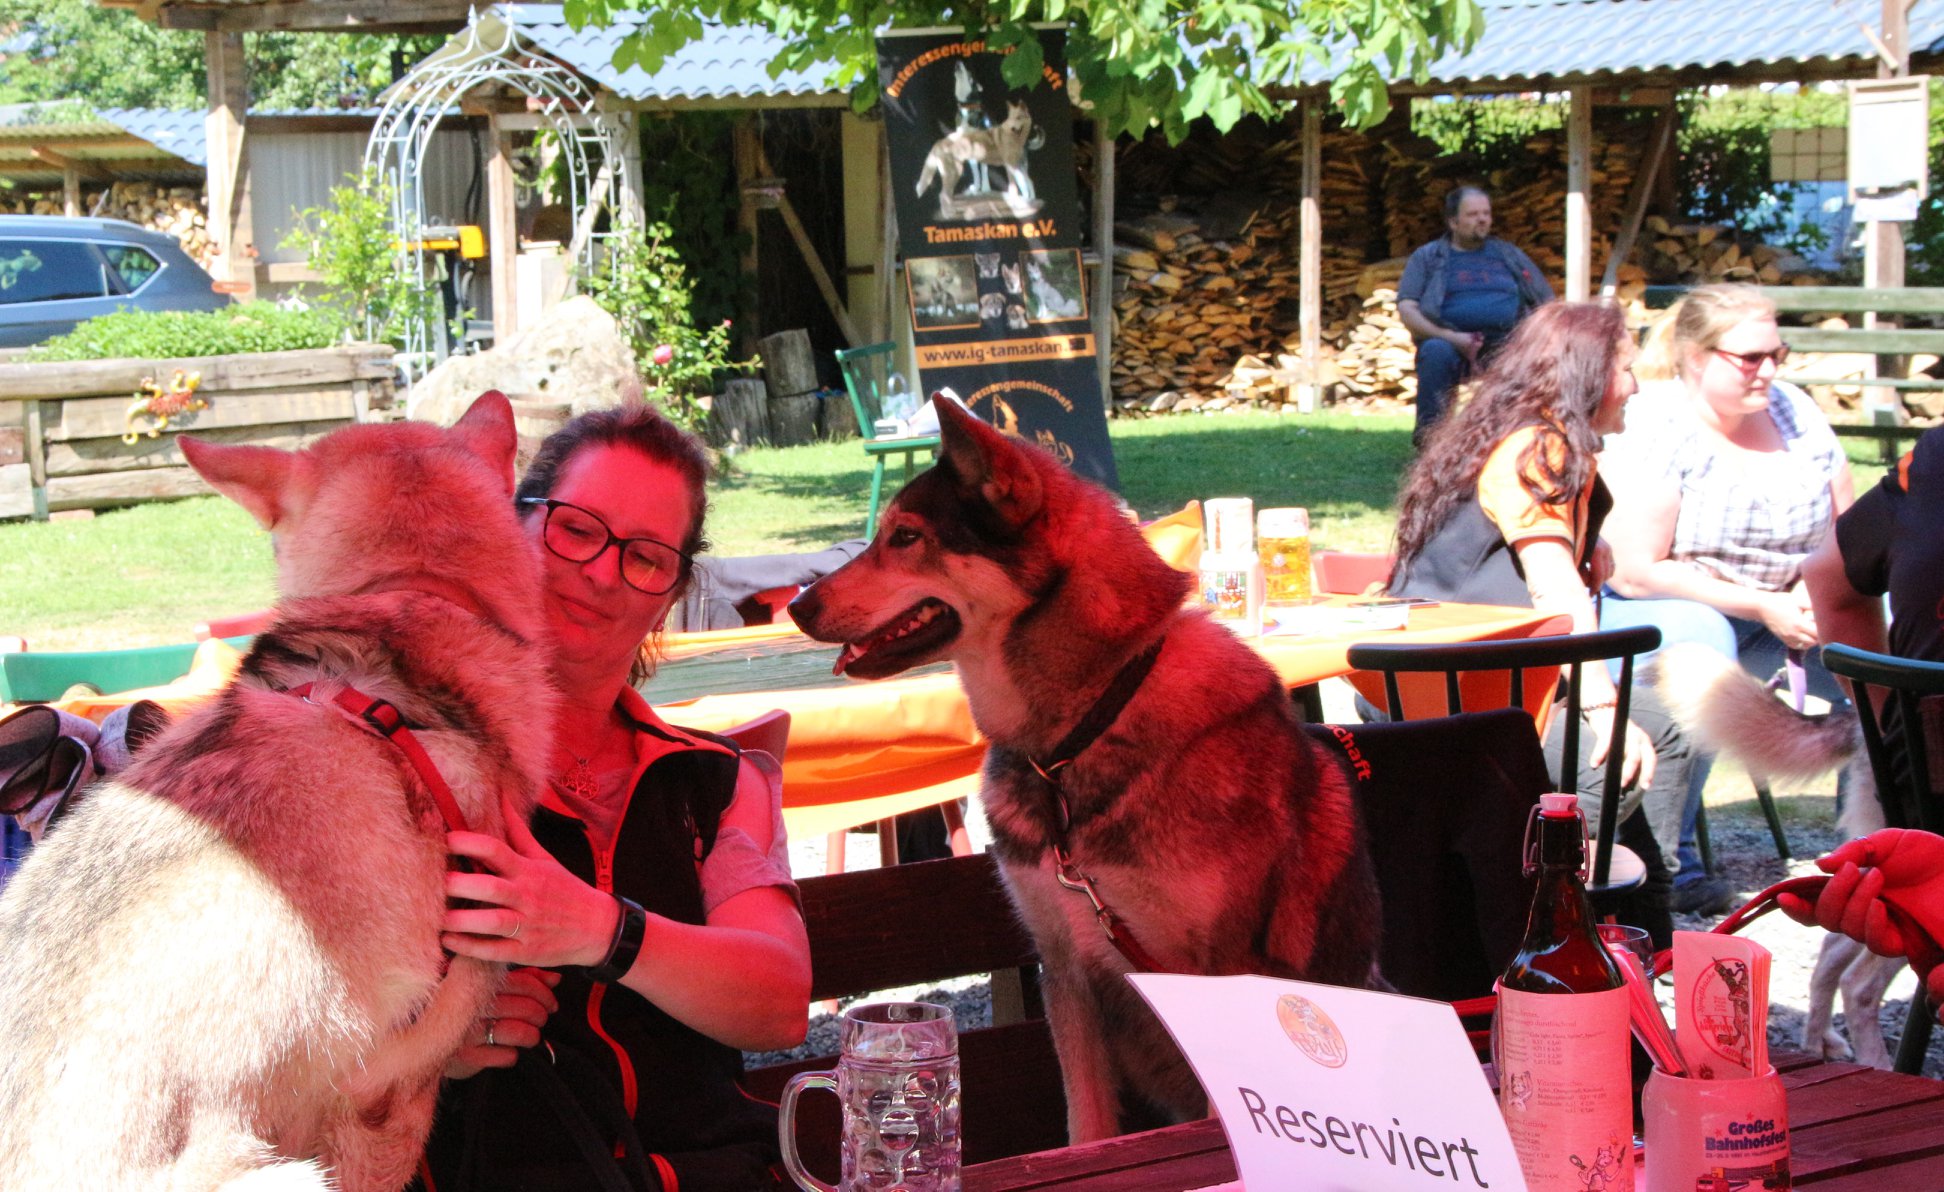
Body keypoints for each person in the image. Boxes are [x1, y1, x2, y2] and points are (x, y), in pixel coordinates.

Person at [420, 404, 812, 1191]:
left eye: (645, 555)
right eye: (576, 529)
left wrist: (601, 930)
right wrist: (426, 1046)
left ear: (670, 594)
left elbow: (778, 1002)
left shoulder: (719, 782)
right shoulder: (419, 764)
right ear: (516, 528)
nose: (601, 572)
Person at [1387, 299, 1693, 947]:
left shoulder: (1534, 436)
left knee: (1662, 729)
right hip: (1463, 701)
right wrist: (1605, 708)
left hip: (1465, 679)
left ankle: (1642, 927)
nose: (1636, 386)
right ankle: (1537, 914)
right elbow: (1556, 592)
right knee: (1638, 745)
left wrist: (1588, 544)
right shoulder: (1538, 446)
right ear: (1584, 375)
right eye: (1626, 369)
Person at [1600, 284, 1857, 912]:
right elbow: (1636, 571)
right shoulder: (1661, 424)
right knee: (1703, 636)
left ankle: (1882, 846)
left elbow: (1852, 529)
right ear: (1695, 356)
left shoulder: (1796, 410)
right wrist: (1760, 604)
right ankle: (1674, 862)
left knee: (1898, 642)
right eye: (1749, 358)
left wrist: (1822, 591)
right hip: (1671, 606)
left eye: (1777, 353)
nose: (1768, 370)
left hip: (1791, 607)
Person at [1777, 424, 1944, 1018]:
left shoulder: (1928, 462)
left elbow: (1828, 576)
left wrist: (1889, 722)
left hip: (1926, 800)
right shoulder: (1928, 463)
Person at [1395, 185, 1555, 444]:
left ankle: (1515, 441)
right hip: (1450, 341)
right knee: (1435, 352)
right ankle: (1431, 443)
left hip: (1507, 341)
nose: (1482, 219)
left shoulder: (1509, 255)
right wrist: (1452, 337)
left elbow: (1546, 302)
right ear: (1453, 221)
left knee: (1529, 357)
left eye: (1486, 214)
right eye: (1473, 214)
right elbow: (1407, 309)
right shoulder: (1428, 257)